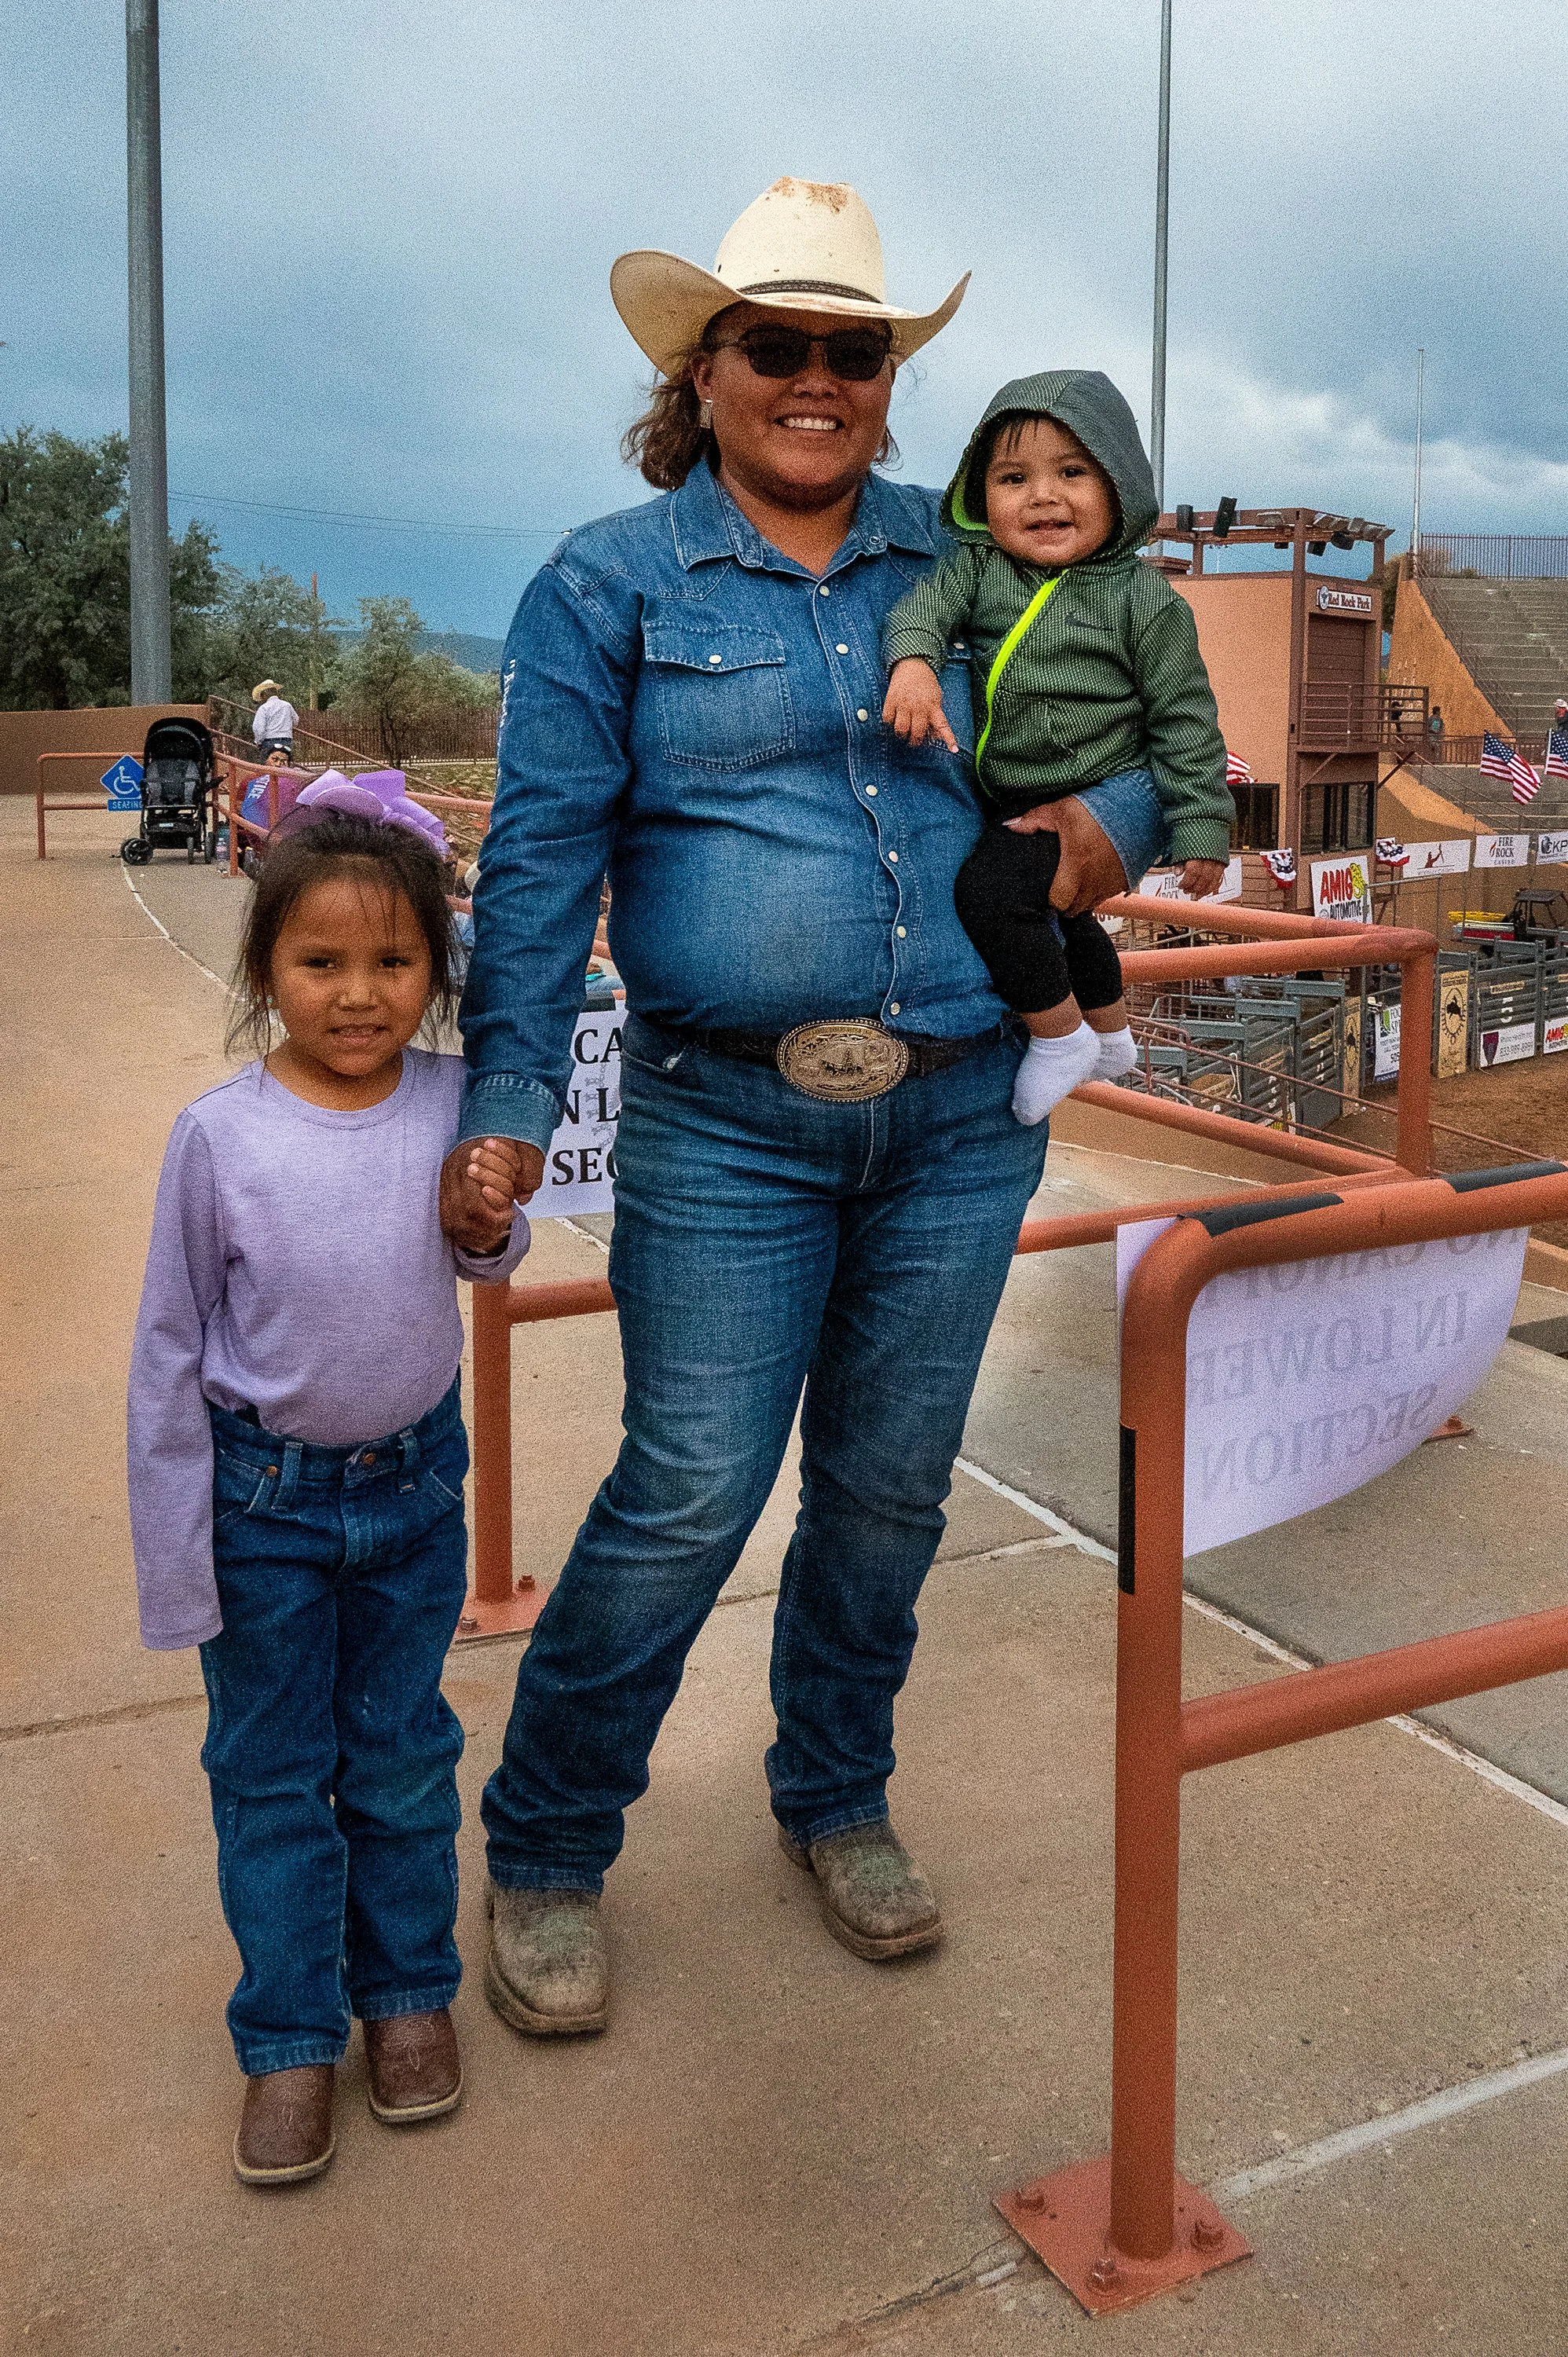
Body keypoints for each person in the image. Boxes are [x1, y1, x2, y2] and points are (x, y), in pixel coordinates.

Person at [440, 178, 1173, 2036]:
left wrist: (1103, 836)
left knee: (889, 1487)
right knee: (690, 1489)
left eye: (856, 351)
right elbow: (538, 859)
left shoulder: (989, 554)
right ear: (711, 370)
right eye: (782, 346)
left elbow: (1156, 738)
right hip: (728, 1119)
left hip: (958, 1111)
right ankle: (543, 1841)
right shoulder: (607, 580)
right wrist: (509, 1099)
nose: (821, 381)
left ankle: (835, 1792)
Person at [126, 805, 529, 2184]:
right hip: (264, 1513)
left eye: (396, 962)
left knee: (404, 1759)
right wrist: (179, 1561)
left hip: (416, 1496)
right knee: (274, 1780)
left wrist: (489, 1218)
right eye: (320, 963)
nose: (359, 994)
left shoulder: (455, 1099)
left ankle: (406, 1995)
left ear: (436, 971)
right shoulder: (219, 1138)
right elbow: (167, 1355)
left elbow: (485, 1254)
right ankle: (291, 2035)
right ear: (264, 973)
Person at [881, 372, 1231, 1121]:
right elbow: (923, 612)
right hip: (1010, 787)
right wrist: (913, 664)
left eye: (1072, 472)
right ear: (981, 498)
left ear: (1119, 485)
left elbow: (1185, 720)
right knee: (1064, 918)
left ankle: (1058, 1034)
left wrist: (1201, 826)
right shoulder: (978, 569)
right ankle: (1109, 1036)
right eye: (1013, 478)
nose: (1043, 496)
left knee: (990, 894)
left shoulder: (1146, 600)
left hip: (1098, 787)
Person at [251, 680, 299, 758]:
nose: (262, 698)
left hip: (269, 741)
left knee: (268, 766)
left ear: (265, 694)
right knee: (285, 765)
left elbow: (259, 728)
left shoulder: (264, 708)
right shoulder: (287, 705)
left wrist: (259, 742)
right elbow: (296, 721)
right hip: (286, 740)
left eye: (262, 695)